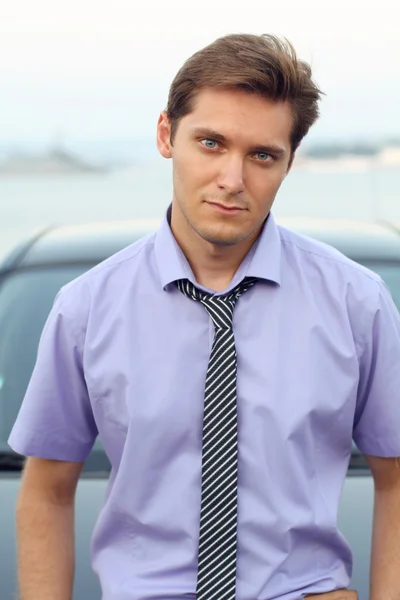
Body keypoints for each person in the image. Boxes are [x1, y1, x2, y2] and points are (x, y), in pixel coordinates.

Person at [8, 33, 400, 600]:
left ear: (290, 161)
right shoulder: (85, 309)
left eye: (262, 155)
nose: (232, 180)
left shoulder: (356, 303)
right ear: (167, 135)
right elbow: (45, 490)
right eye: (211, 143)